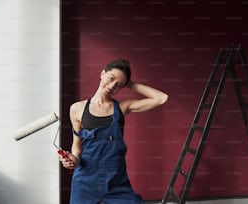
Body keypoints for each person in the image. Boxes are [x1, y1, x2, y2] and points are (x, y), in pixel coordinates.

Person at [59, 59, 168, 204]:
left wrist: (130, 83)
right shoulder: (77, 109)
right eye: (111, 78)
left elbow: (161, 98)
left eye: (119, 85)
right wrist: (73, 160)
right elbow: (77, 146)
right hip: (85, 181)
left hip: (116, 180)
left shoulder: (123, 107)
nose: (111, 86)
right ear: (102, 73)